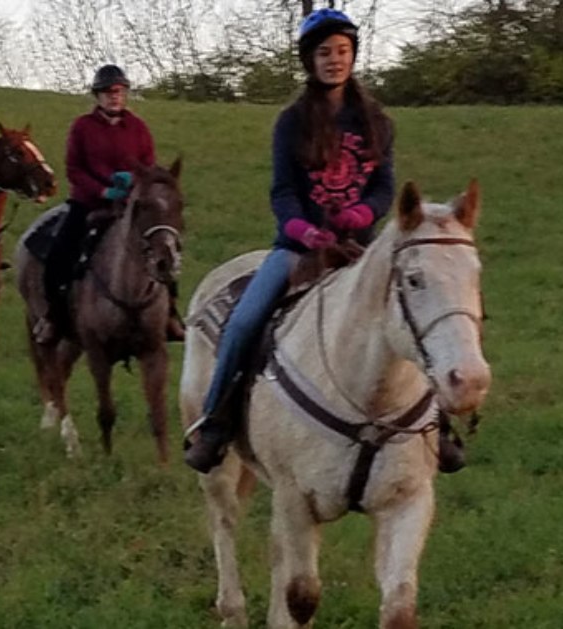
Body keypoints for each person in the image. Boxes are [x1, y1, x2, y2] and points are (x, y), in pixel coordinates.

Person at [185, 9, 425, 472]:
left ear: (353, 55)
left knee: (419, 312)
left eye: (342, 51)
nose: (334, 60)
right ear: (309, 62)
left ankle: (438, 427)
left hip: (360, 250)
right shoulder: (291, 122)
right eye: (323, 53)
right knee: (242, 322)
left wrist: (360, 213)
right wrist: (305, 230)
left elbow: (382, 188)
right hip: (298, 248)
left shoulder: (377, 121)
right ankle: (215, 422)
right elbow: (283, 191)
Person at [35, 64, 186, 345]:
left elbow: (149, 167)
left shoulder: (138, 128)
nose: (114, 97)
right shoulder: (82, 127)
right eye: (107, 92)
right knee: (60, 252)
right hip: (89, 203)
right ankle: (53, 317)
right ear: (98, 96)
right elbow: (74, 168)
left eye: (118, 91)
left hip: (132, 203)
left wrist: (135, 184)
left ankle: (170, 315)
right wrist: (104, 190)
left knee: (164, 245)